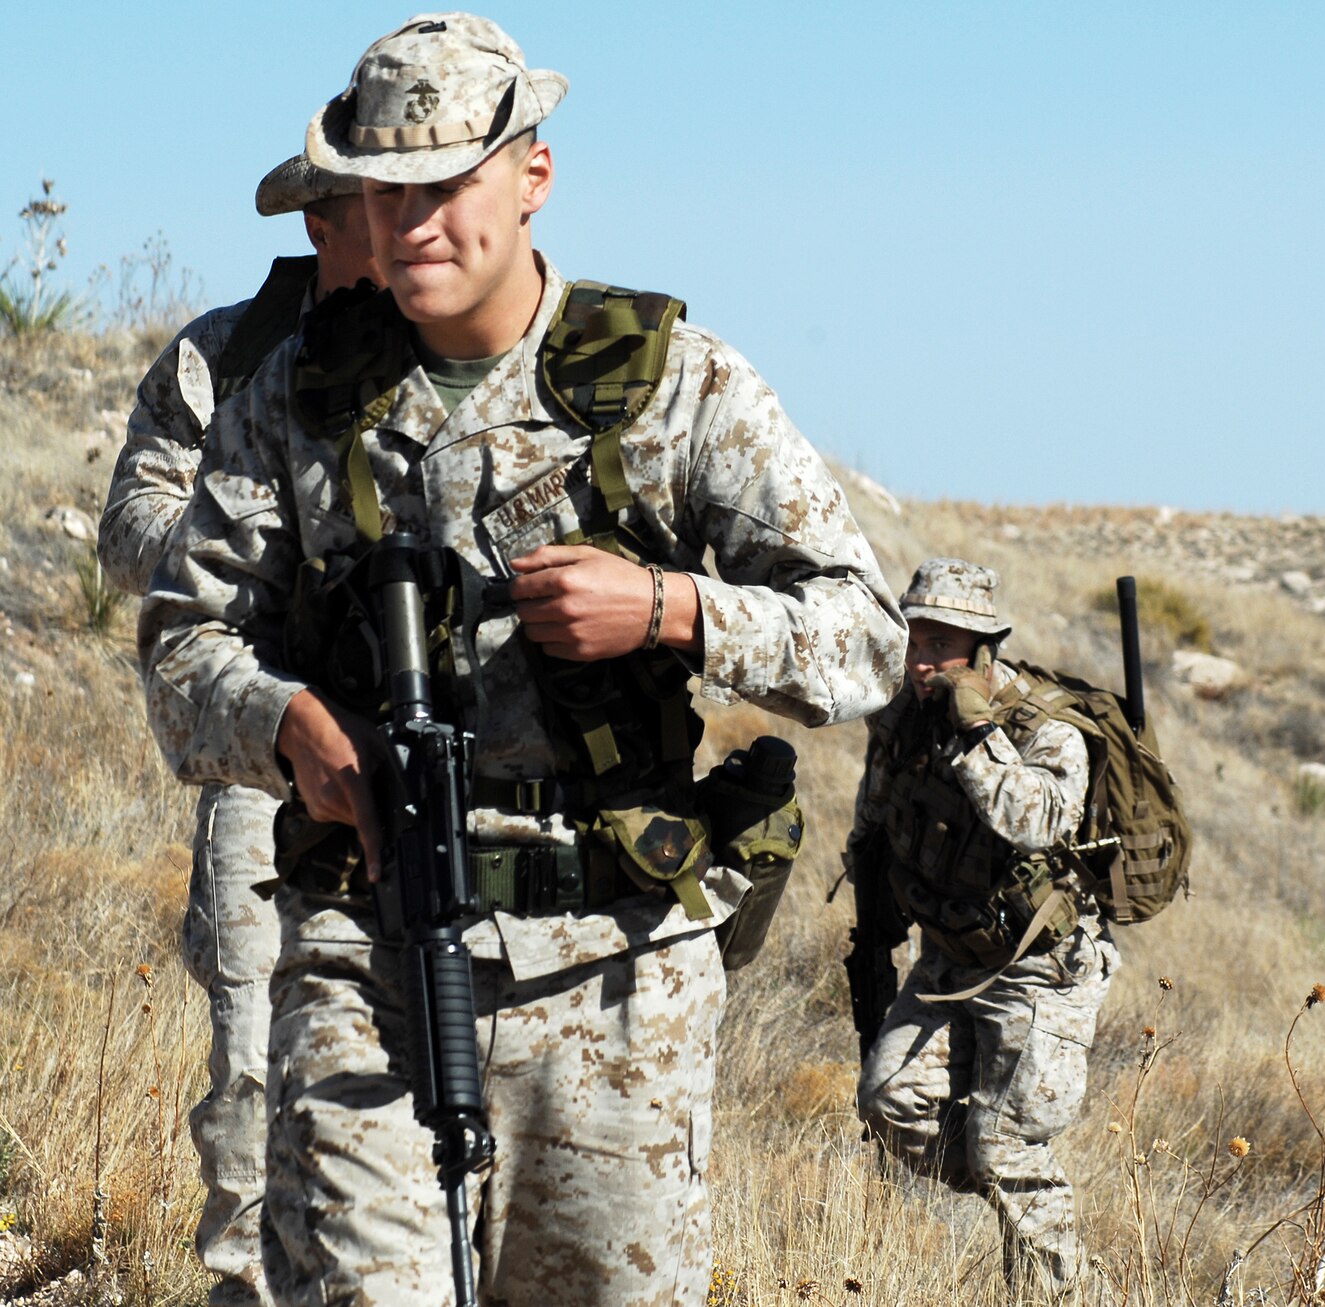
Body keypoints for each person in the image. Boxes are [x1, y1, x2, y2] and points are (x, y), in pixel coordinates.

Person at [138, 13, 905, 1304]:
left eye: (447, 186)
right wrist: (286, 725)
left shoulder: (675, 387)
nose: (415, 223)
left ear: (531, 177)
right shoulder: (297, 400)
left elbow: (865, 636)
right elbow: (180, 636)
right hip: (364, 950)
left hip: (614, 975)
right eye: (384, 195)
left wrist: (670, 609)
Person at [98, 152, 378, 1307]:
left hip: (435, 751)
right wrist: (260, 555)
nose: (416, 217)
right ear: (321, 219)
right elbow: (129, 529)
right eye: (379, 199)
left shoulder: (468, 349)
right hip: (263, 741)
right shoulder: (223, 355)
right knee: (254, 1052)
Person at [850, 558, 1121, 1300]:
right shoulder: (901, 721)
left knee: (1007, 1146)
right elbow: (874, 819)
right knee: (889, 1103)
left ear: (982, 650)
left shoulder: (1045, 731)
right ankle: (1014, 1185)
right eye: (915, 639)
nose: (923, 660)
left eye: (942, 643)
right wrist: (873, 918)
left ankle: (1065, 1288)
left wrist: (976, 736)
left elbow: (1034, 821)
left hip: (1039, 968)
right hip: (948, 958)